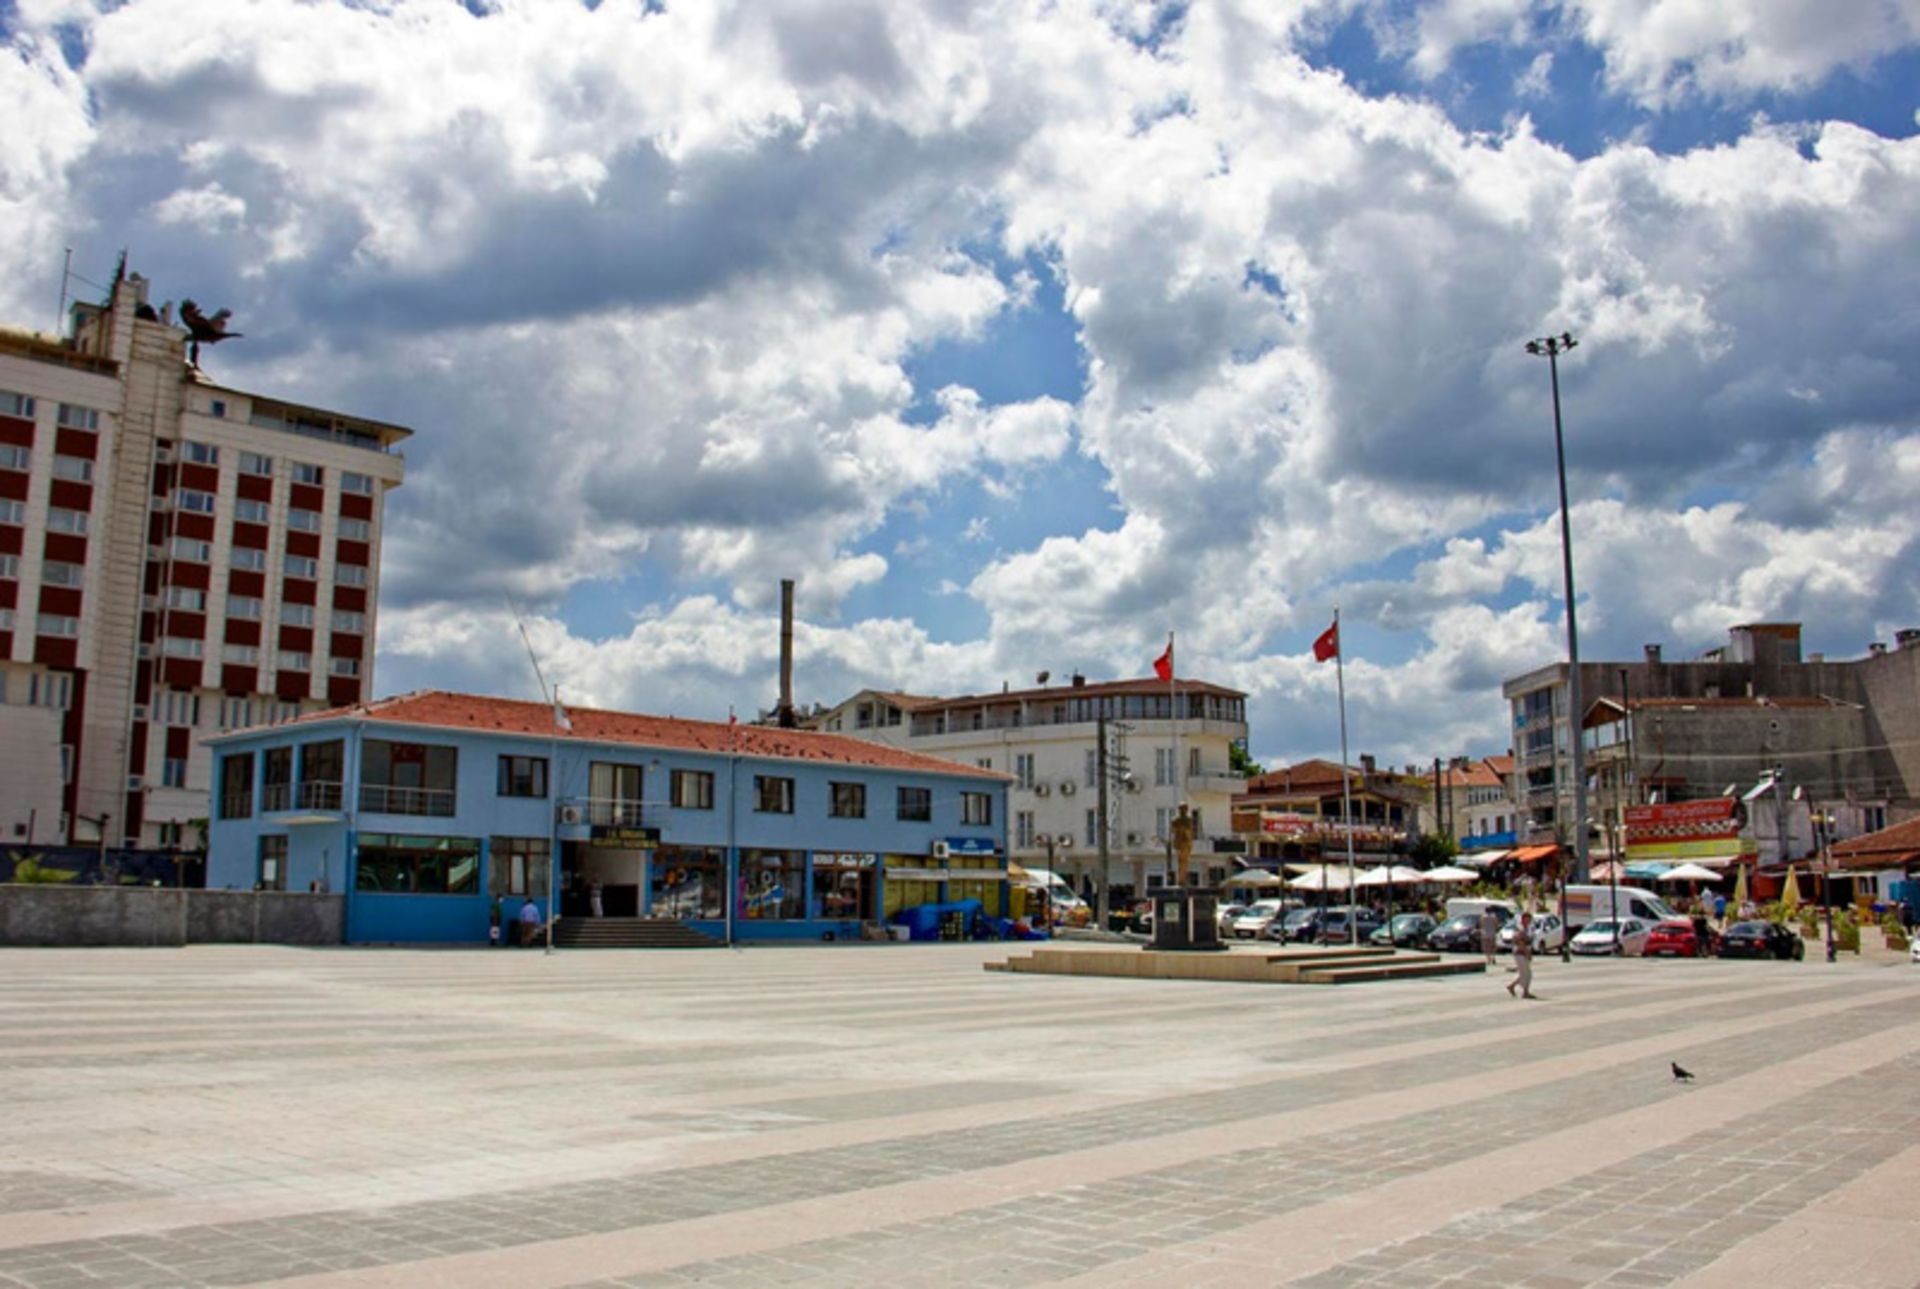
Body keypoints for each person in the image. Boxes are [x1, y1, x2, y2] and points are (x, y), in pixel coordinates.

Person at [1508, 912, 1536, 999]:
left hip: (1523, 952)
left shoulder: (1526, 928)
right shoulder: (1521, 928)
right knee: (1527, 974)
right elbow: (1521, 942)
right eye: (1528, 919)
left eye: (1530, 919)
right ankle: (1525, 992)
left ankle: (1513, 986)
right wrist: (1527, 953)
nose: (1529, 921)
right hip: (1520, 953)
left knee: (1525, 974)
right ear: (1523, 919)